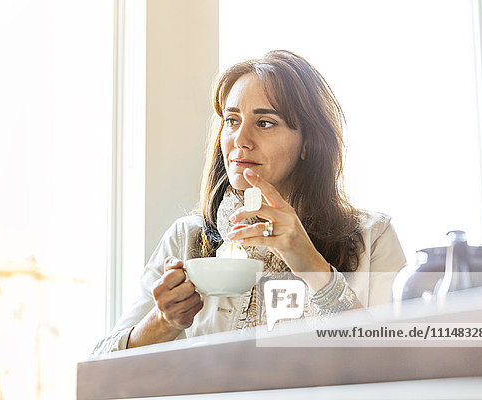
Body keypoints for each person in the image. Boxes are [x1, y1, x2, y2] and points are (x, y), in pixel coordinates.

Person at [90, 50, 406, 356]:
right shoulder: (186, 239)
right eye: (231, 120)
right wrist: (163, 322)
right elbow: (99, 373)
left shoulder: (372, 236)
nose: (240, 140)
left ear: (309, 143)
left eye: (264, 122)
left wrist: (311, 266)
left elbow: (399, 363)